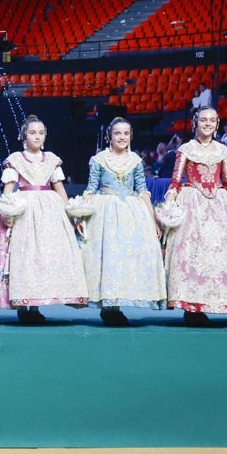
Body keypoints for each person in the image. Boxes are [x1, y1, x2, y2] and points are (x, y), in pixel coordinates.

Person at [163, 107, 227, 325]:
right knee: (193, 254)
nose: (208, 124)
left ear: (217, 123)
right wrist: (169, 206)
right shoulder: (186, 149)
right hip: (192, 199)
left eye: (212, 120)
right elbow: (175, 181)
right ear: (196, 122)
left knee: (223, 252)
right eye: (203, 120)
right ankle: (192, 307)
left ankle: (219, 301)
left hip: (219, 202)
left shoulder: (222, 150)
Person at [0, 116, 87, 325]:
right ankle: (24, 305)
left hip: (50, 211)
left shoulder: (52, 159)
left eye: (41, 133)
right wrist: (7, 213)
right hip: (25, 209)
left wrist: (72, 214)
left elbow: (60, 189)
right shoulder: (16, 159)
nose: (37, 136)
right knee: (26, 256)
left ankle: (36, 305)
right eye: (32, 132)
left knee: (45, 256)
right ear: (24, 136)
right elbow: (8, 190)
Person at [81, 117, 165, 326]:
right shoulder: (99, 159)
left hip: (131, 211)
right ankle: (109, 307)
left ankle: (119, 302)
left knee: (127, 258)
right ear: (110, 135)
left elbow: (142, 190)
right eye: (118, 133)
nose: (122, 137)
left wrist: (154, 220)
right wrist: (82, 216)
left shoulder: (135, 159)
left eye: (126, 133)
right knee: (109, 257)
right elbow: (91, 189)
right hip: (105, 212)